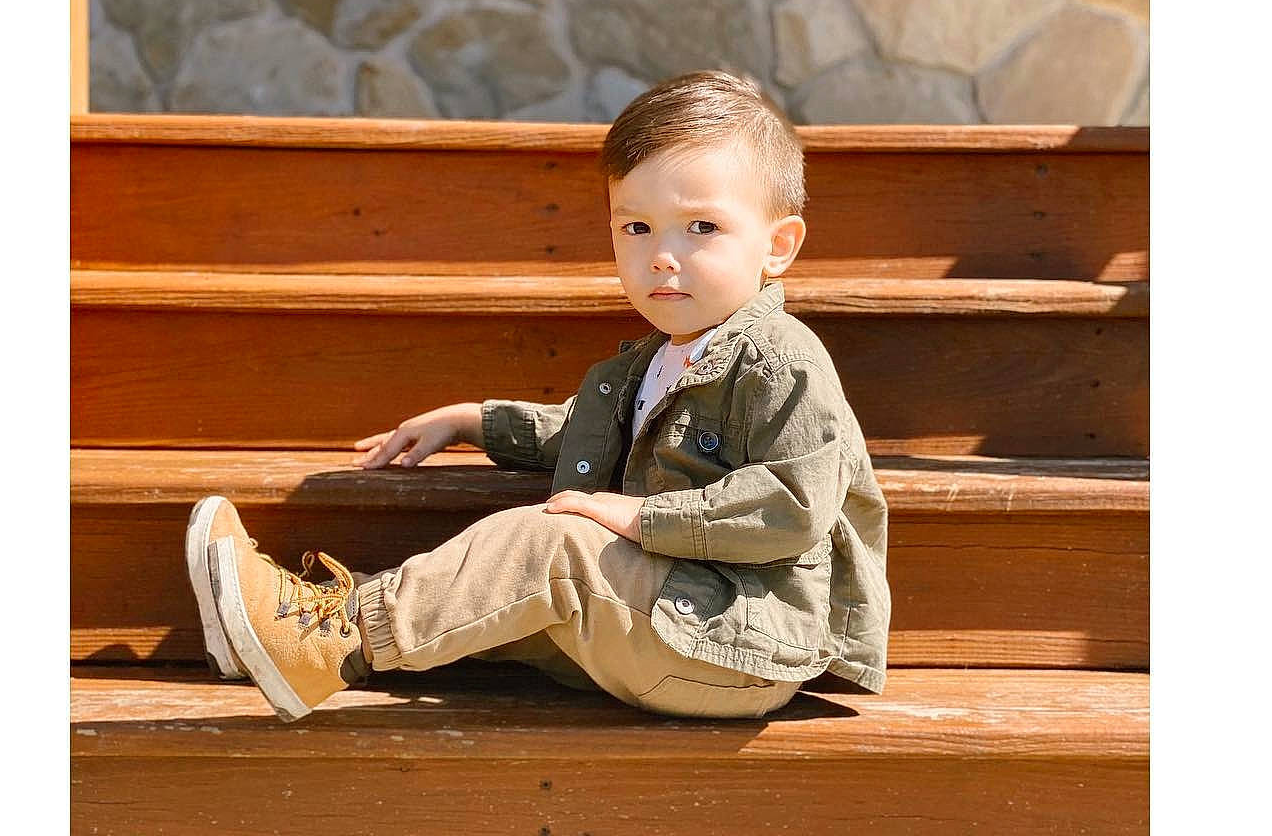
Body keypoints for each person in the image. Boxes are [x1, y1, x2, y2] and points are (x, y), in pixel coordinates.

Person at [185, 70, 890, 723]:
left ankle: (325, 643)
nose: (662, 255)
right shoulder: (656, 361)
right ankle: (289, 634)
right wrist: (473, 422)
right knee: (486, 588)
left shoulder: (781, 358)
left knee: (546, 543)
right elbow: (581, 433)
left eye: (701, 226)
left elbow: (794, 504)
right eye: (635, 227)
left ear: (779, 245)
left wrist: (641, 517)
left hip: (739, 644)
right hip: (671, 624)